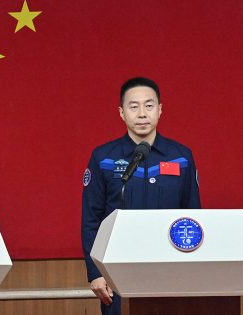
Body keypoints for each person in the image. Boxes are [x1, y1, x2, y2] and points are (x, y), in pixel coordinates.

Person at [81, 77, 201, 315]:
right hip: (117, 271)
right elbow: (91, 221)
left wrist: (192, 272)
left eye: (149, 105)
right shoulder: (103, 158)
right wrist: (95, 273)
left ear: (160, 110)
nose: (142, 113)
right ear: (122, 113)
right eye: (133, 106)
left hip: (171, 269)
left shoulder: (181, 157)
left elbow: (194, 218)